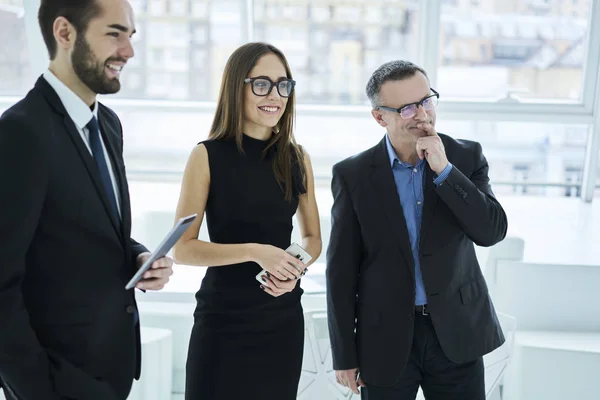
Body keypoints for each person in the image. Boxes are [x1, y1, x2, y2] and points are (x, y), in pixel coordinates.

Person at [0, 0, 174, 399]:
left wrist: (137, 257)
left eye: (130, 36)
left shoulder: (108, 125)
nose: (128, 52)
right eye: (114, 34)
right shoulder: (20, 134)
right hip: (59, 380)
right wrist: (41, 388)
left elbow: (81, 228)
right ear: (65, 33)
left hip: (110, 371)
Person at [326, 60, 508, 400]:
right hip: (385, 339)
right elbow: (341, 272)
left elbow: (491, 232)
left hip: (456, 332)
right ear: (380, 117)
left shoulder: (465, 157)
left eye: (426, 101)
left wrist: (444, 170)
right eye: (407, 108)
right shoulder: (353, 175)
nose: (423, 114)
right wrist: (344, 355)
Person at [172, 42, 322, 399]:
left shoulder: (296, 157)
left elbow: (313, 238)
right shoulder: (206, 155)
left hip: (281, 320)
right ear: (236, 85)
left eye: (284, 85)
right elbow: (183, 249)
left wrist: (293, 270)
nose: (276, 95)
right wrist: (257, 252)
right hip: (222, 321)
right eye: (262, 84)